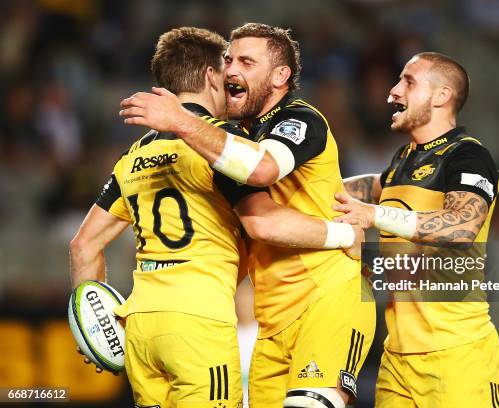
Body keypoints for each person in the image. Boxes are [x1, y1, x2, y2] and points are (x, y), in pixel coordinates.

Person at [70, 27, 364, 408]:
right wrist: (346, 233)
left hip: (141, 324)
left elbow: (83, 245)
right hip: (200, 320)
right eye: (228, 64)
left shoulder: (132, 157)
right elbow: (262, 218)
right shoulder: (222, 146)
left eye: (244, 62)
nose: (231, 75)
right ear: (212, 76)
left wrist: (91, 327)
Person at [333, 52, 499, 407]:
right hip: (397, 359)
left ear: (441, 96)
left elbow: (462, 227)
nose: (393, 91)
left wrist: (373, 215)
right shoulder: (404, 159)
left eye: (408, 81)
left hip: (457, 355)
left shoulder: (468, 157)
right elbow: (367, 187)